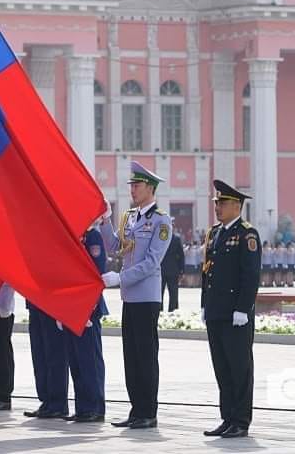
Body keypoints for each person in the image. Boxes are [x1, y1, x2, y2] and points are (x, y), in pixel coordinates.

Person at [100, 161, 172, 429]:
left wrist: (120, 278)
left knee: (145, 356)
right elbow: (115, 246)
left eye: (137, 185)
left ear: (150, 188)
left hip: (146, 297)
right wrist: (106, 220)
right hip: (130, 297)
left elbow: (152, 262)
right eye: (131, 185)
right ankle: (136, 410)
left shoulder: (161, 221)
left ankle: (148, 412)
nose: (133, 190)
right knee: (130, 356)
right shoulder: (130, 217)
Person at [200, 179, 260, 440]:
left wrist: (243, 308)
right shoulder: (214, 233)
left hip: (236, 314)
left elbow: (251, 275)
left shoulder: (247, 234)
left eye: (222, 203)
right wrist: (205, 303)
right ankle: (227, 417)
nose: (217, 207)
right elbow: (207, 272)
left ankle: (241, 420)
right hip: (216, 311)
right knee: (222, 367)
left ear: (237, 205)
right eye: (216, 203)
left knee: (239, 368)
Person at [61, 224, 108, 422]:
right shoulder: (72, 235)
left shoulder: (93, 236)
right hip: (72, 307)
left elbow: (96, 273)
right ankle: (82, 407)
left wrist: (89, 307)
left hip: (88, 308)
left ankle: (95, 407)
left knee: (90, 361)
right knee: (76, 360)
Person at [161, 230, 184, 312]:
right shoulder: (176, 238)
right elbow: (181, 255)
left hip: (162, 269)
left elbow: (181, 255)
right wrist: (181, 270)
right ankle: (173, 311)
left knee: (160, 292)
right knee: (173, 292)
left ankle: (159, 311)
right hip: (173, 269)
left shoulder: (160, 237)